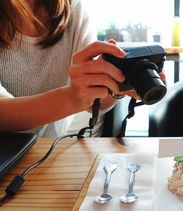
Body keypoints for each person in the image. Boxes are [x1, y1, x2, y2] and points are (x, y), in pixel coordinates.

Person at [0, 0, 156, 137]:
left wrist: (119, 87)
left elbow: (94, 100)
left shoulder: (74, 9)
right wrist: (72, 98)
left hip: (50, 153)